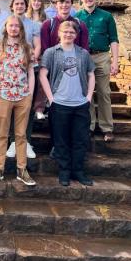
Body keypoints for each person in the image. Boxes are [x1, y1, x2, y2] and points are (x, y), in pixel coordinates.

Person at [39, 21, 95, 186]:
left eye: (72, 32)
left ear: (76, 35)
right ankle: (64, 171)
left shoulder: (83, 53)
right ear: (59, 33)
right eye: (66, 31)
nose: (69, 34)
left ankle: (78, 171)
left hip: (80, 104)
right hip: (60, 104)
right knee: (61, 140)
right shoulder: (51, 52)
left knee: (80, 140)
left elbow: (91, 74)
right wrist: (51, 99)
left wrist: (89, 97)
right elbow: (43, 75)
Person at [0, 16, 36, 186]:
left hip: (22, 96)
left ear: (21, 29)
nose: (14, 28)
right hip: (3, 95)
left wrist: (30, 95)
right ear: (5, 27)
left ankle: (22, 169)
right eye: (11, 25)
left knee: (21, 135)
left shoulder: (27, 48)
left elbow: (31, 73)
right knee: (1, 134)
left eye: (17, 26)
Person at [76, 0, 119, 142]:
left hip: (102, 57)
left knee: (104, 93)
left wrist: (115, 60)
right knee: (87, 94)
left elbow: (114, 39)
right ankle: (90, 126)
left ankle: (107, 128)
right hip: (84, 58)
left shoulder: (106, 16)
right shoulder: (77, 17)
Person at [3, 0, 41, 159]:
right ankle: (13, 142)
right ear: (12, 6)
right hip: (11, 73)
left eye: (22, 4)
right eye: (16, 3)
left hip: (29, 69)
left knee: (27, 108)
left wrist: (29, 62)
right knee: (12, 107)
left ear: (26, 6)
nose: (19, 6)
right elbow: (2, 47)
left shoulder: (33, 24)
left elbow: (37, 45)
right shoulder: (7, 24)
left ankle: (26, 142)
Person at [25, 0, 47, 121]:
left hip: (42, 52)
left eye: (39, 1)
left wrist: (37, 55)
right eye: (34, 1)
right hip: (27, 53)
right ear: (30, 3)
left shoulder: (46, 18)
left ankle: (39, 108)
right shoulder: (26, 18)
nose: (36, 3)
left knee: (41, 80)